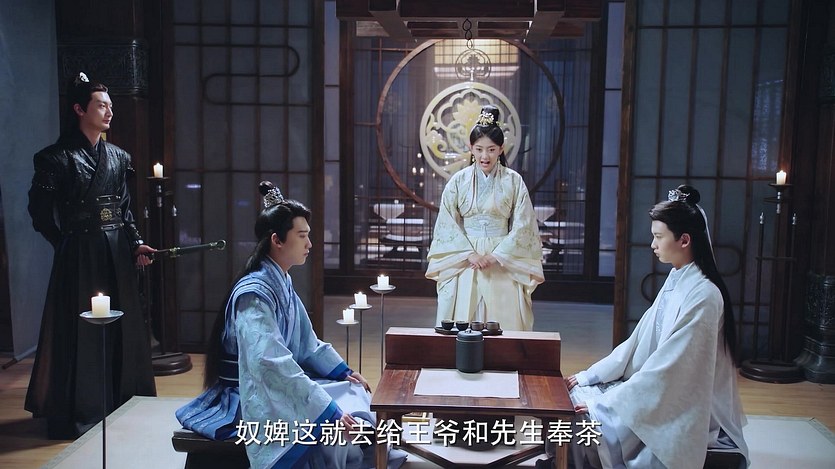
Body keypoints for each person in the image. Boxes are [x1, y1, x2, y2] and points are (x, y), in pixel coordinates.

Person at [176, 181, 405, 469]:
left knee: (354, 392)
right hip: (249, 394)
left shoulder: (281, 282)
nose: (310, 244)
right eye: (302, 236)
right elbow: (269, 362)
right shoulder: (253, 295)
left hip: (277, 383)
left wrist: (343, 372)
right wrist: (329, 412)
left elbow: (307, 343)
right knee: (330, 427)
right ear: (277, 240)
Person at [555, 185, 748, 468]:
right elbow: (637, 343)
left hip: (682, 403)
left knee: (584, 419)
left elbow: (673, 368)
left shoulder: (704, 295)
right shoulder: (677, 279)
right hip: (658, 386)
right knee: (573, 397)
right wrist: (592, 375)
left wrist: (607, 404)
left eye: (658, 237)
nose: (653, 245)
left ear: (684, 240)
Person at [26, 71, 157, 439]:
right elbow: (39, 211)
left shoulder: (118, 157)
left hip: (116, 250)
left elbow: (125, 209)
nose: (109, 112)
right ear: (79, 109)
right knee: (80, 330)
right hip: (79, 252)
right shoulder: (55, 158)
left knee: (123, 326)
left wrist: (135, 242)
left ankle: (125, 401)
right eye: (101, 105)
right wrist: (64, 243)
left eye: (110, 105)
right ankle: (82, 409)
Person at [425, 104, 544, 331]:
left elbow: (524, 225)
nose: (484, 156)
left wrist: (496, 256)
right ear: (470, 148)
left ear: (501, 149)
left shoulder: (514, 181)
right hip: (466, 257)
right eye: (479, 149)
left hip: (501, 258)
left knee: (504, 323)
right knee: (462, 320)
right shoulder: (458, 181)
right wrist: (469, 254)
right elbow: (446, 223)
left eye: (491, 149)